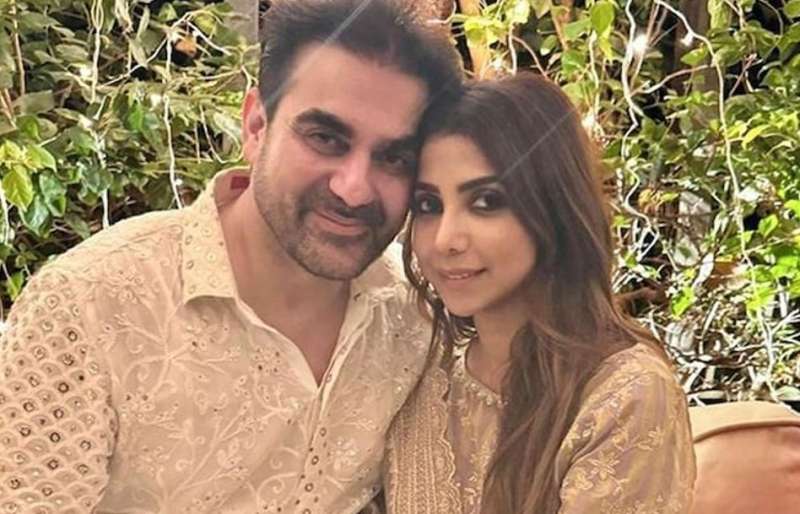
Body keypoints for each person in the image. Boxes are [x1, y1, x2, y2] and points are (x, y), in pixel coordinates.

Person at [0, 1, 462, 512]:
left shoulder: (418, 318)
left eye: (394, 158)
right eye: (325, 138)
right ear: (256, 126)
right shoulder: (89, 307)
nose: (353, 189)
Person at [382, 74, 696, 514]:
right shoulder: (417, 376)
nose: (445, 240)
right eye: (428, 206)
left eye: (486, 202)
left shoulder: (623, 393)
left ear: (552, 207)